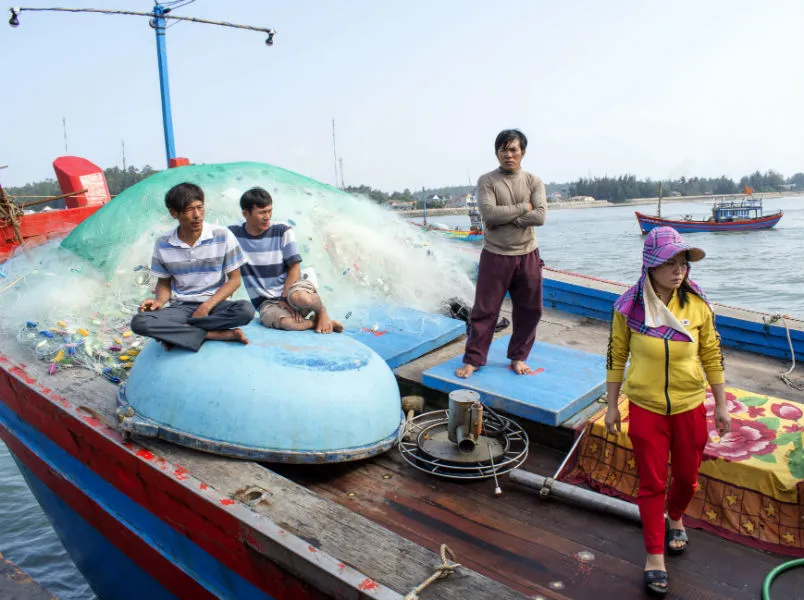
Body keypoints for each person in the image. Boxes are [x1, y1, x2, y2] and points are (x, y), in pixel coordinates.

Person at [605, 226, 731, 596]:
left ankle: (675, 516)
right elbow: (616, 355)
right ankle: (654, 555)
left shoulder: (698, 305)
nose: (679, 271)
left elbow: (712, 353)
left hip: (690, 405)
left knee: (687, 479)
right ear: (650, 265)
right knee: (651, 483)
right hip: (646, 407)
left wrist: (721, 404)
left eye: (683, 263)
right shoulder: (628, 307)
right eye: (670, 263)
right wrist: (612, 405)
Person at [456, 129, 547, 378]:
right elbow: (489, 215)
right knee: (485, 309)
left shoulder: (533, 181)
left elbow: (539, 216)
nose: (509, 154)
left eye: (514, 149)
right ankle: (474, 359)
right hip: (495, 254)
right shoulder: (487, 181)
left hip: (527, 253)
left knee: (530, 309)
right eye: (503, 149)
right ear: (497, 153)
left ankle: (518, 357)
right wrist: (522, 208)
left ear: (523, 152)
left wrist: (507, 218)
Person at [131, 182, 255, 351]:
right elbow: (164, 283)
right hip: (182, 307)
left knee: (246, 311)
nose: (197, 215)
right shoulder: (163, 243)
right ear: (174, 213)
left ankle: (178, 333)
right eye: (189, 209)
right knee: (140, 322)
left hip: (216, 305)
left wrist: (206, 306)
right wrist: (158, 301)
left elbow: (235, 280)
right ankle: (215, 334)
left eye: (200, 207)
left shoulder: (222, 235)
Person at [229, 187, 343, 334]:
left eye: (270, 211)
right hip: (267, 302)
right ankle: (314, 323)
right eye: (262, 212)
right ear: (246, 214)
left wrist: (285, 298)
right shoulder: (233, 235)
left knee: (303, 298)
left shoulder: (282, 230)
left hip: (293, 289)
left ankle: (322, 312)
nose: (267, 216)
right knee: (287, 324)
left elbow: (295, 267)